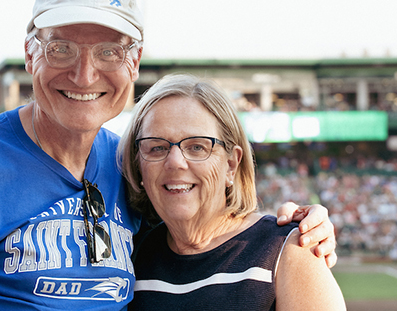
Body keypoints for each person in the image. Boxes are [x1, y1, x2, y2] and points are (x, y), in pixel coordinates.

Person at [0, 0, 336, 310]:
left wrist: (305, 225)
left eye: (109, 52)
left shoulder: (127, 168)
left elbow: (207, 222)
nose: (84, 74)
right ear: (30, 52)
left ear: (133, 63)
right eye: (61, 48)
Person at [118, 74, 346, 310]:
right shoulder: (129, 259)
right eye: (156, 147)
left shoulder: (287, 251)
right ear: (138, 166)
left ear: (231, 164)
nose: (175, 162)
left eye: (197, 147)